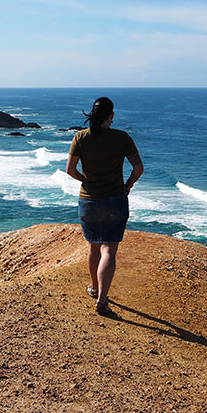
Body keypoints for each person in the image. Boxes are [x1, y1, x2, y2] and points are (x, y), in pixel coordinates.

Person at [65, 97, 143, 316]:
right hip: (115, 199)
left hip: (89, 200)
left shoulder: (81, 137)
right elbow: (138, 168)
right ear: (111, 115)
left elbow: (70, 169)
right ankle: (102, 300)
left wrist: (86, 181)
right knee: (109, 249)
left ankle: (94, 287)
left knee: (93, 247)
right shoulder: (122, 138)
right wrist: (128, 185)